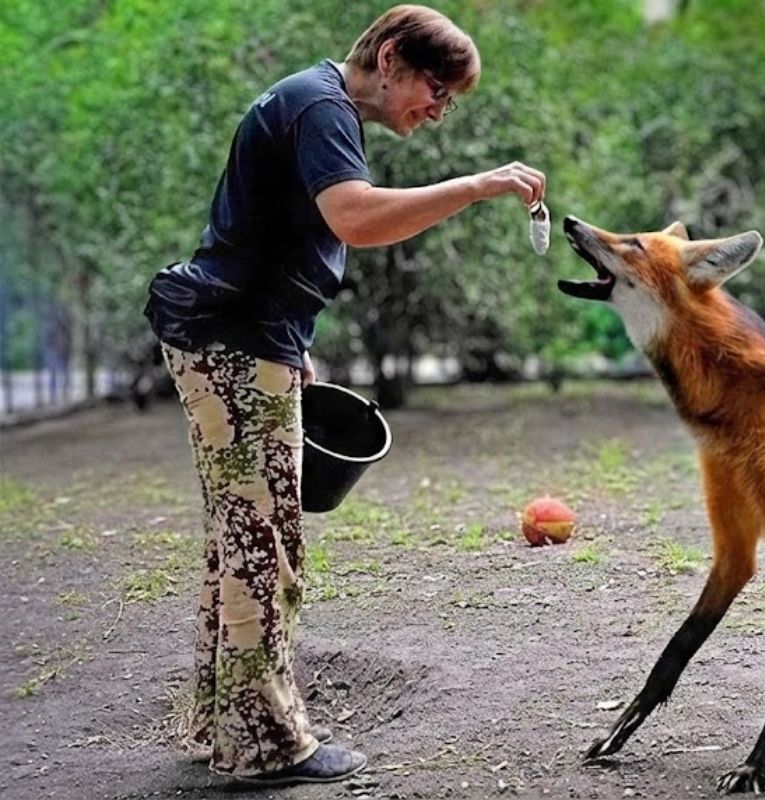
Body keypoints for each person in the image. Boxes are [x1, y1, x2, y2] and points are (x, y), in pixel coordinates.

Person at [144, 5, 545, 786]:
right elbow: (354, 219)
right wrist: (477, 185)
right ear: (390, 58)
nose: (438, 110)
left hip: (241, 334)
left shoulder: (311, 101)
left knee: (242, 537)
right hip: (231, 338)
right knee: (263, 544)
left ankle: (221, 724)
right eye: (436, 90)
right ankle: (266, 746)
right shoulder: (322, 107)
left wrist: (292, 345)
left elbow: (266, 233)